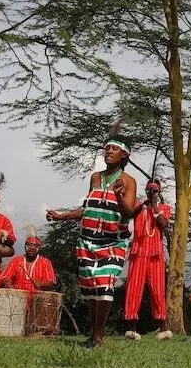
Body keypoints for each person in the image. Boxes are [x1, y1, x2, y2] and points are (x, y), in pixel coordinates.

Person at [46, 134, 138, 347]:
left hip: (113, 243)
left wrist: (119, 195)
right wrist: (60, 216)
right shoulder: (95, 178)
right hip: (87, 241)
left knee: (105, 285)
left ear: (124, 155)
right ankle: (93, 333)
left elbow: (129, 213)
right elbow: (87, 208)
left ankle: (98, 336)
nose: (109, 151)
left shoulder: (128, 181)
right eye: (107, 148)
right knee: (90, 289)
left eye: (114, 149)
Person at [123, 179, 172, 341]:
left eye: (155, 190)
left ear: (159, 192)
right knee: (134, 289)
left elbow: (164, 224)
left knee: (158, 291)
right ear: (145, 191)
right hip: (138, 253)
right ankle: (131, 329)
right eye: (150, 189)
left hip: (156, 255)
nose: (152, 192)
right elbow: (129, 214)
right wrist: (144, 205)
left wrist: (154, 207)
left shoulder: (164, 208)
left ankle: (163, 328)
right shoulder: (138, 206)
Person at [0, 233, 56, 300]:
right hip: (18, 299)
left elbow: (51, 281)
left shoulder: (45, 262)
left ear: (38, 248)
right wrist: (10, 287)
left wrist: (41, 284)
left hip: (37, 300)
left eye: (35, 246)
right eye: (29, 245)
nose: (32, 248)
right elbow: (4, 277)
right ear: (25, 247)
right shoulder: (16, 260)